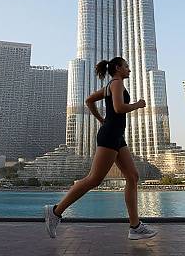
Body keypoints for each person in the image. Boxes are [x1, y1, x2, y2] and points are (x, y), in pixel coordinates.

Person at [44, 57, 157, 240]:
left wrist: (101, 120)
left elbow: (89, 100)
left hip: (116, 136)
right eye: (126, 66)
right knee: (94, 179)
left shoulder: (110, 86)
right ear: (118, 68)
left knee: (132, 176)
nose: (129, 69)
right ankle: (56, 211)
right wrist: (138, 104)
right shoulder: (117, 83)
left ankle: (135, 227)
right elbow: (119, 108)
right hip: (110, 135)